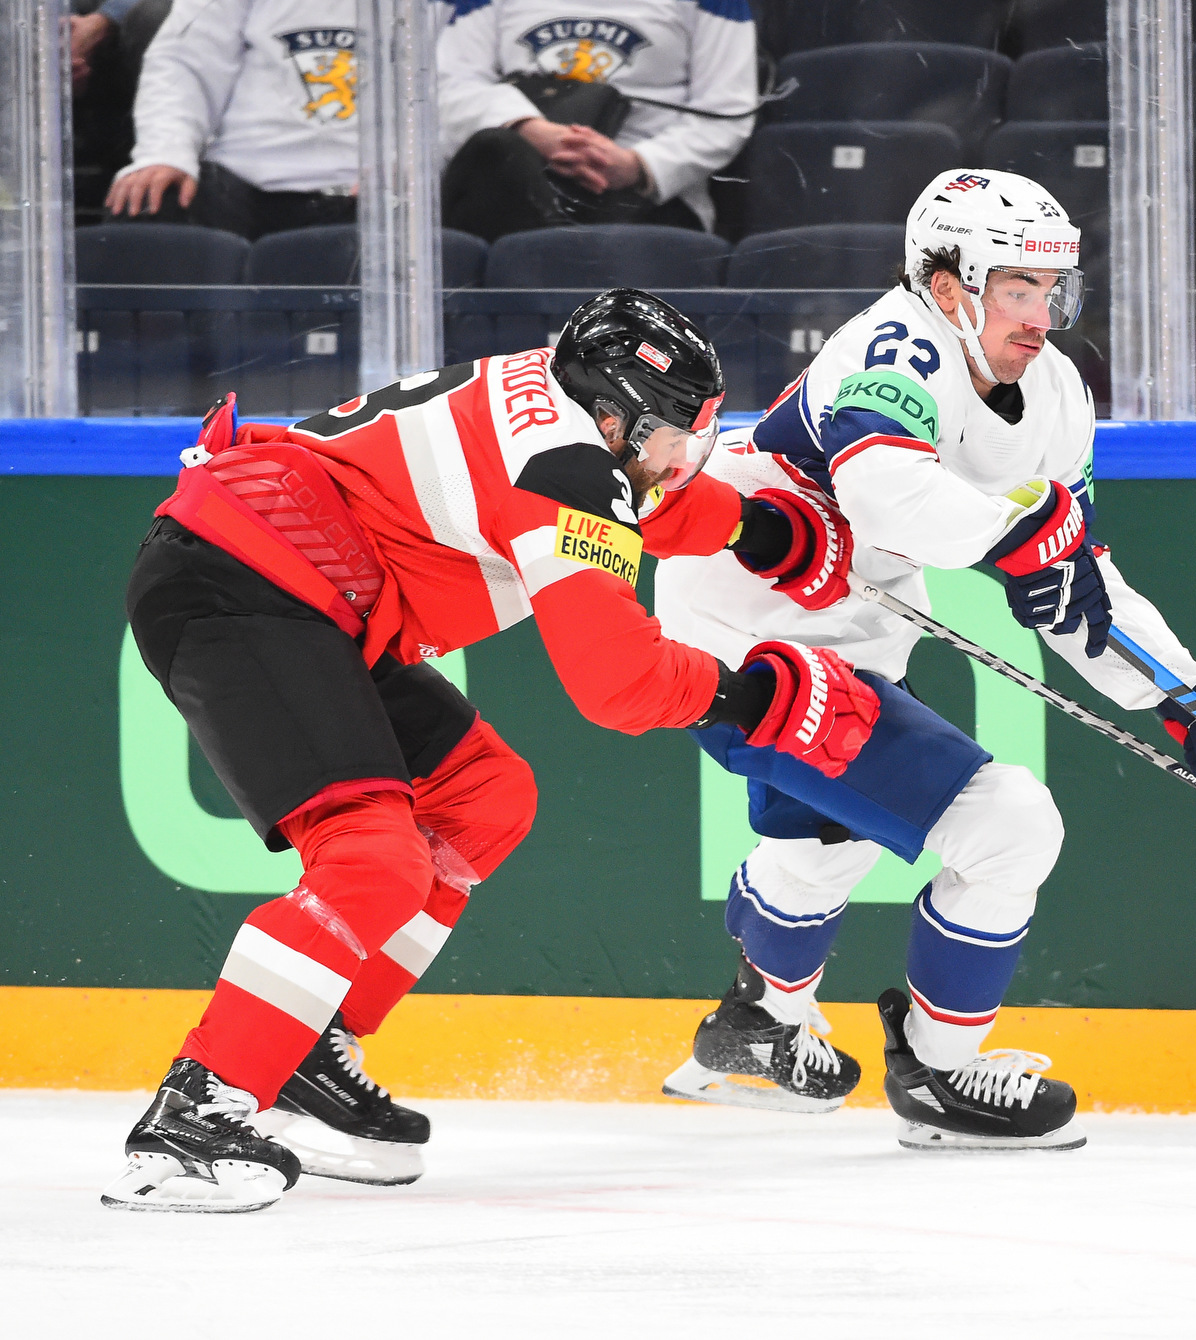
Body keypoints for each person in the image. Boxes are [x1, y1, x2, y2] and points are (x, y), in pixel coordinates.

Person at [103, 288, 873, 1212]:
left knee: (482, 794)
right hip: (244, 584)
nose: (686, 455)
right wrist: (756, 696)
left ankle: (302, 1042)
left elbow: (643, 501)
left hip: (306, 590)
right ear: (617, 415)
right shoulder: (565, 466)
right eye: (678, 432)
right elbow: (616, 682)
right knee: (371, 854)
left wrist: (756, 528)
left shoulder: (565, 415)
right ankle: (194, 1116)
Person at [647, 170, 1196, 1151]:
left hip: (852, 626)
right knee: (1007, 825)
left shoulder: (1051, 392)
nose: (1042, 315)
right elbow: (886, 493)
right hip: (741, 629)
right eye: (1018, 287)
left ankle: (751, 1029)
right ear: (948, 283)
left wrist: (1189, 698)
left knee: (821, 842)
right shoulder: (888, 348)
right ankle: (940, 1070)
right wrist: (1017, 545)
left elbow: (1076, 579)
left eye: (1054, 289)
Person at [438, 0, 757, 243]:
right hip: (518, 177)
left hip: (644, 194)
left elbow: (727, 112)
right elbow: (448, 86)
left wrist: (637, 166)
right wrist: (529, 128)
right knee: (495, 149)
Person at [104, 0, 367, 239]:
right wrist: (164, 154)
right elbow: (183, 61)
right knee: (147, 200)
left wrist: (404, 169)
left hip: (376, 191)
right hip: (241, 183)